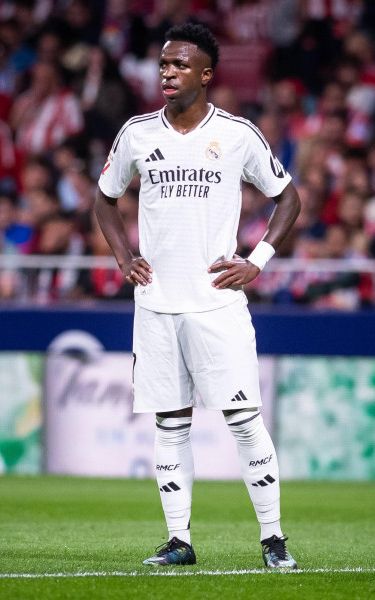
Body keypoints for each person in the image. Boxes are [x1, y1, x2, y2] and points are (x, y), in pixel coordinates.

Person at [94, 24, 301, 569]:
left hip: (216, 302)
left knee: (244, 420)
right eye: (164, 64)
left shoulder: (237, 134)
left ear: (206, 75)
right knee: (170, 424)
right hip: (156, 303)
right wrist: (123, 255)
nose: (167, 72)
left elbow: (288, 198)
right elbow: (104, 197)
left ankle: (274, 541)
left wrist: (256, 262)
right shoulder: (136, 134)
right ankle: (179, 541)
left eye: (180, 65)